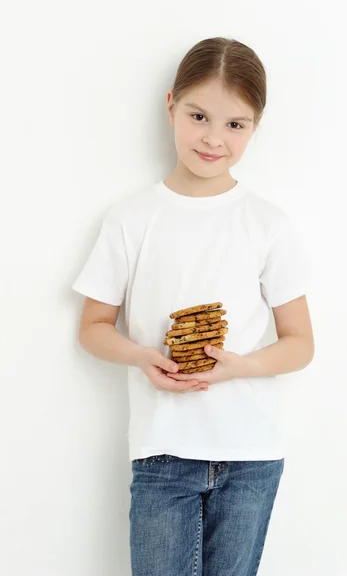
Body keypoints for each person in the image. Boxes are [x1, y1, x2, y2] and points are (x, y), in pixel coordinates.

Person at [72, 37, 314, 576]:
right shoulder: (131, 219)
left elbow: (300, 343)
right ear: (171, 106)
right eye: (198, 115)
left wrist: (241, 366)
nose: (212, 138)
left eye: (235, 124)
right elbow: (92, 327)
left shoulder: (268, 224)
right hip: (162, 452)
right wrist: (142, 356)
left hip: (251, 455)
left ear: (256, 126)